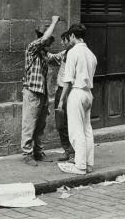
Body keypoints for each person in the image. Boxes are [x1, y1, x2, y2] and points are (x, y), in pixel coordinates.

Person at [57, 24, 97, 174]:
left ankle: (80, 165)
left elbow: (67, 80)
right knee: (87, 129)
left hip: (77, 92)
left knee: (76, 131)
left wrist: (61, 100)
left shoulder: (73, 52)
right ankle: (89, 163)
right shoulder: (91, 54)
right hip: (88, 93)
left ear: (73, 36)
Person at [21, 15, 60, 166]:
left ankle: (38, 152)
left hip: (42, 94)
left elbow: (56, 59)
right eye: (48, 39)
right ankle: (27, 154)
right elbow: (44, 40)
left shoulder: (44, 54)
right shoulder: (32, 48)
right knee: (29, 124)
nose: (49, 43)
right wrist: (54, 22)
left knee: (40, 126)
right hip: (31, 92)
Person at [48, 32, 75, 162]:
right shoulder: (65, 53)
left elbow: (70, 80)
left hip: (71, 91)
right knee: (61, 123)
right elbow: (52, 58)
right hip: (60, 90)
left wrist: (63, 99)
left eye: (65, 40)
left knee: (72, 122)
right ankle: (67, 149)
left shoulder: (76, 54)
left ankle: (74, 150)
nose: (63, 43)